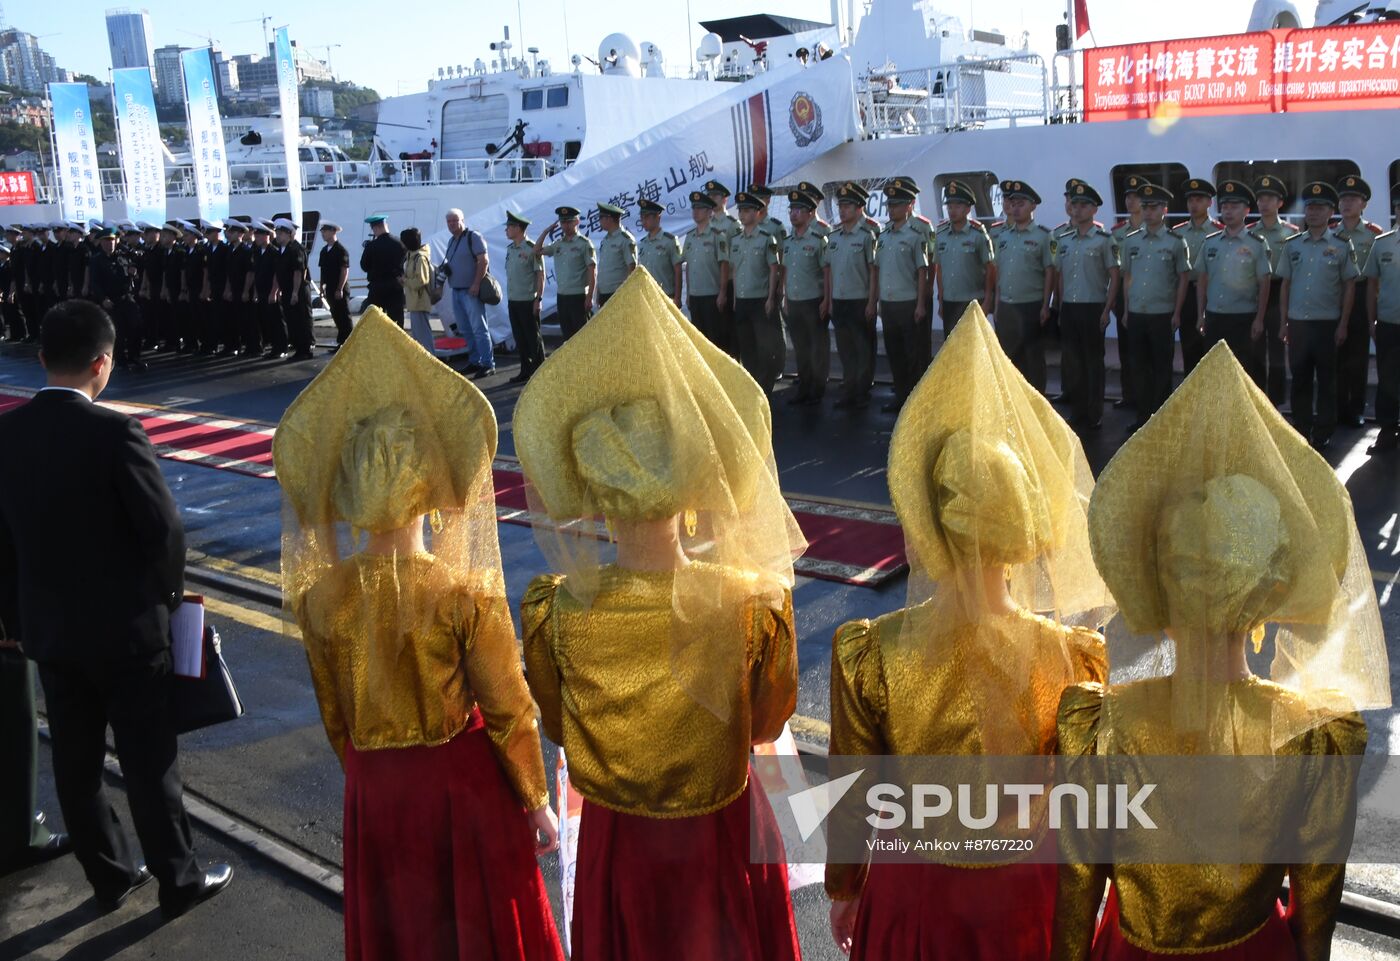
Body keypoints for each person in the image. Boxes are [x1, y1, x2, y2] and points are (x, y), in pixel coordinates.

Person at [1052, 343, 1390, 960]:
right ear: (1269, 590)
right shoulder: (1313, 734)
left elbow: (1078, 886)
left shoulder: (1105, 725)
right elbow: (1317, 905)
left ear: (1157, 582)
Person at [516, 269, 805, 961]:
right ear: (695, 488)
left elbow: (558, 724)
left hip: (622, 839)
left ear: (597, 495)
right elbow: (768, 723)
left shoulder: (555, 609)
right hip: (726, 828)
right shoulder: (751, 600)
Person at [276, 308, 564, 961]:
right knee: (479, 931)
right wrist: (535, 800)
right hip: (459, 788)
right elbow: (508, 708)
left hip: (376, 788)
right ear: (432, 483)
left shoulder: (322, 596)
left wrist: (371, 775)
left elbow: (334, 716)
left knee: (402, 931)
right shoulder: (462, 591)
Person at [826, 303, 1109, 960]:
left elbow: (854, 787)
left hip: (915, 885)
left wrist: (845, 884)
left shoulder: (873, 650)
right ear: (1027, 532)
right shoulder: (1074, 656)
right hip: (1029, 890)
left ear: (929, 522)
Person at [0, 300, 232, 916]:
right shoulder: (115, 432)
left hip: (49, 633)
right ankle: (178, 881)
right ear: (102, 364)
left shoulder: (7, 434)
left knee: (75, 763)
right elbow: (164, 532)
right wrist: (166, 600)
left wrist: (14, 622)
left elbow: (1, 543)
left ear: (42, 357)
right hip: (128, 634)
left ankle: (108, 875)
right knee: (149, 762)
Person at [1278, 181, 1358, 452]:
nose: (1313, 212)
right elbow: (1285, 285)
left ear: (1330, 212)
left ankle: (1324, 430)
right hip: (1298, 323)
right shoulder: (1292, 246)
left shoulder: (1342, 245)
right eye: (1310, 207)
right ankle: (1301, 428)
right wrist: (1283, 323)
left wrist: (1343, 324)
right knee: (1299, 378)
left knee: (1327, 380)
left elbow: (1349, 286)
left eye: (1320, 207)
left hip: (1327, 323)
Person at [1120, 183, 1191, 430]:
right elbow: (1127, 277)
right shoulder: (1131, 241)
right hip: (1138, 312)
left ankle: (1161, 420)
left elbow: (1183, 278)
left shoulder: (1175, 242)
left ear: (1164, 209)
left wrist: (1178, 312)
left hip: (1162, 314)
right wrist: (1127, 310)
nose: (1148, 211)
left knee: (1162, 368)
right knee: (1138, 367)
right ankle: (1142, 417)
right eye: (1145, 206)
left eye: (1154, 207)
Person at [1054, 182, 1119, 431]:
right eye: (1074, 204)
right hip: (1070, 307)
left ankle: (1094, 413)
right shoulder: (1065, 240)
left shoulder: (1104, 240)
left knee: (1093, 362)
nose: (1076, 209)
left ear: (1094, 209)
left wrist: (1106, 310)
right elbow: (1060, 276)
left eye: (1083, 205)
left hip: (1093, 307)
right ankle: (1078, 411)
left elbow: (1114, 275)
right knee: (1074, 363)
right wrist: (1059, 307)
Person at [1195, 180, 1271, 387]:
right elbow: (1202, 279)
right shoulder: (1210, 242)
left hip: (1243, 317)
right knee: (1215, 371)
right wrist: (1200, 314)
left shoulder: (1257, 244)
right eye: (1225, 207)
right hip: (1215, 316)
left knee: (1245, 373)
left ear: (1246, 210)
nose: (1228, 212)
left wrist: (1259, 319)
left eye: (1234, 207)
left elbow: (1264, 283)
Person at [990, 181, 1054, 394]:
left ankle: (1037, 403)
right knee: (1009, 358)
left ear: (1033, 206)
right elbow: (999, 272)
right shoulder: (1004, 236)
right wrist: (997, 304)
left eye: (1021, 204)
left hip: (1031, 305)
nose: (1016, 208)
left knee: (1033, 358)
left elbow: (1049, 272)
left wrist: (1046, 304)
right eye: (1013, 204)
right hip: (1007, 305)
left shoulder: (1044, 236)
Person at [1332, 175, 1382, 429]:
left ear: (1363, 204)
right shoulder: (1332, 233)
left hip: (1362, 295)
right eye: (1343, 199)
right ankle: (1338, 406)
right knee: (1336, 355)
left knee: (1358, 356)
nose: (1347, 203)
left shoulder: (1373, 234)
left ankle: (1356, 407)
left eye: (1352, 199)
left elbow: (1378, 275)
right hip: (1335, 295)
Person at [876, 181, 931, 414]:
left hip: (909, 303)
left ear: (909, 206)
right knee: (895, 353)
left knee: (914, 356)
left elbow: (922, 271)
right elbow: (878, 269)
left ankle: (916, 400)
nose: (892, 209)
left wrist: (921, 303)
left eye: (897, 205)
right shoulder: (884, 235)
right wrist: (878, 302)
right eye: (890, 205)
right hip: (889, 303)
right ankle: (901, 396)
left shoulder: (917, 235)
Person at [827, 181, 878, 410]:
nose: (842, 210)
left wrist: (871, 302)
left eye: (847, 206)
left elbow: (873, 271)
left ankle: (862, 389)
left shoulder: (868, 234)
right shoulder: (835, 237)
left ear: (859, 208)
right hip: (840, 300)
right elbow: (828, 270)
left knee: (863, 347)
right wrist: (828, 300)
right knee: (845, 348)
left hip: (859, 300)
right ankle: (849, 387)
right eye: (841, 205)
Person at [1250, 175, 1299, 404]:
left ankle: (1277, 402)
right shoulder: (1249, 232)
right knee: (1255, 352)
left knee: (1278, 351)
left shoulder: (1291, 232)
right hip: (1256, 294)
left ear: (1280, 203)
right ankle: (1257, 400)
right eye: (1260, 198)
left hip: (1280, 293)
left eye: (1269, 198)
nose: (1264, 203)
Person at [729, 191, 783, 393]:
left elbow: (773, 268)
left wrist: (771, 297)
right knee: (746, 345)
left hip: (760, 299)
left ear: (757, 212)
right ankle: (752, 384)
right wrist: (735, 298)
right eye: (741, 211)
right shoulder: (736, 240)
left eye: (747, 210)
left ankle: (765, 385)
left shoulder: (766, 238)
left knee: (764, 346)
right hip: (742, 299)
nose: (742, 215)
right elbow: (736, 270)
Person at [782, 186, 831, 406]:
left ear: (810, 212)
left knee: (817, 347)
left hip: (814, 300)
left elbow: (827, 272)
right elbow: (785, 272)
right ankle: (804, 385)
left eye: (799, 210)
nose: (794, 214)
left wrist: (826, 300)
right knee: (801, 347)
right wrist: (784, 297)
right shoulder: (789, 241)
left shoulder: (820, 238)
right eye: (792, 209)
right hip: (794, 300)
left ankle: (818, 388)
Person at [1362, 183, 1400, 454]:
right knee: (1388, 379)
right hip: (1389, 322)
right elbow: (1371, 286)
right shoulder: (1382, 243)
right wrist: (1371, 321)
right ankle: (1387, 432)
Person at [932, 180, 994, 338]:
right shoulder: (941, 234)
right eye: (950, 206)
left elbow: (990, 268)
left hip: (972, 301)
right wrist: (941, 299)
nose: (952, 211)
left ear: (967, 208)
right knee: (951, 347)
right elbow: (939, 269)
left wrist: (987, 301)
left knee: (973, 347)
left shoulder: (978, 234)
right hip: (949, 301)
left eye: (958, 206)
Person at [1171, 178, 1219, 376]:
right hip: (1186, 293)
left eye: (1199, 200)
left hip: (1213, 294)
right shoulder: (1177, 232)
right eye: (1191, 200)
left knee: (1212, 349)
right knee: (1189, 347)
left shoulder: (1219, 232)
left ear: (1209, 203)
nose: (1194, 204)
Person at [86, 227, 146, 371]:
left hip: (127, 297)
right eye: (107, 241)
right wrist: (103, 299)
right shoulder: (96, 260)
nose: (110, 243)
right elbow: (95, 282)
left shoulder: (123, 256)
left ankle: (134, 356)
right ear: (101, 242)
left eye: (112, 240)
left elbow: (134, 275)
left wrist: (134, 273)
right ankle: (121, 359)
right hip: (111, 300)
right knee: (117, 331)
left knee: (135, 327)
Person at [443, 208, 493, 377]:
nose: (451, 224)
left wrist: (476, 283)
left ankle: (488, 363)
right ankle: (475, 361)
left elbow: (483, 260)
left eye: (455, 220)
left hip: (470, 290)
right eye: (449, 221)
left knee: (479, 328)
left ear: (463, 220)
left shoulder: (473, 237)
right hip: (456, 290)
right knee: (466, 329)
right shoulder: (451, 241)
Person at [680, 191, 732, 354]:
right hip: (695, 295)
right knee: (698, 338)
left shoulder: (718, 236)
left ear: (710, 212)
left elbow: (724, 265)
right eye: (694, 208)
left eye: (700, 208)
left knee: (714, 339)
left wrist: (722, 293)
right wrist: (688, 293)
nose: (696, 212)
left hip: (712, 295)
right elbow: (688, 266)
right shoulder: (690, 237)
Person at [534, 206, 595, 341]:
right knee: (567, 337)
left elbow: (592, 272)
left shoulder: (584, 244)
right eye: (563, 222)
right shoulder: (558, 244)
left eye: (569, 222)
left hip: (579, 296)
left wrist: (589, 297)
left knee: (582, 337)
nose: (566, 226)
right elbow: (537, 251)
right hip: (562, 297)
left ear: (577, 222)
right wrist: (546, 231)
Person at [503, 210, 546, 383]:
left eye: (509, 227)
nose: (506, 230)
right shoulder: (510, 249)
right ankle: (525, 370)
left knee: (533, 337)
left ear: (518, 228)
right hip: (514, 299)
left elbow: (540, 275)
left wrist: (538, 299)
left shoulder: (531, 248)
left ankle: (540, 371)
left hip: (528, 300)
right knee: (520, 338)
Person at [274, 219, 315, 361]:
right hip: (287, 290)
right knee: (292, 320)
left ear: (290, 234)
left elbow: (298, 272)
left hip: (297, 291)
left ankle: (305, 349)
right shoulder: (282, 250)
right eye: (277, 233)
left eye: (280, 234)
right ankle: (299, 349)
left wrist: (294, 293)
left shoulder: (296, 249)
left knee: (301, 320)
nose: (277, 236)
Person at [251, 221, 290, 359]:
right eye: (255, 235)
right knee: (266, 320)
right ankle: (273, 346)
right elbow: (255, 273)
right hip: (261, 290)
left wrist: (274, 291)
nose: (256, 237)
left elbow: (276, 274)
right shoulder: (257, 252)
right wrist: (255, 291)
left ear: (267, 236)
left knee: (277, 320)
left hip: (271, 291)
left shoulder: (273, 252)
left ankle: (281, 347)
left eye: (259, 235)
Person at [359, 214, 405, 325]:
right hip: (396, 286)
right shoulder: (400, 243)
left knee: (376, 321)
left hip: (377, 287)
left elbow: (364, 266)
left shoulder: (371, 246)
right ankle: (396, 342)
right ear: (385, 225)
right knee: (396, 320)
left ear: (375, 227)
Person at [636, 198, 682, 308]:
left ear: (658, 217)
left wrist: (678, 297)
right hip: (647, 297)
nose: (643, 221)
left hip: (666, 296)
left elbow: (678, 271)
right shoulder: (643, 243)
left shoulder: (669, 241)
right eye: (642, 218)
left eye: (647, 217)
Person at [400, 227, 437, 356]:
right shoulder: (412, 256)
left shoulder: (419, 258)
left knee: (423, 337)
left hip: (420, 301)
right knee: (419, 335)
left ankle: (430, 362)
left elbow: (421, 281)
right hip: (414, 301)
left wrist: (405, 281)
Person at [593, 201, 636, 309]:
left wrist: (628, 293)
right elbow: (603, 268)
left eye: (601, 217)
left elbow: (632, 267)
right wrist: (598, 292)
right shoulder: (605, 240)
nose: (599, 221)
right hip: (604, 292)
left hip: (618, 293)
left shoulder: (625, 239)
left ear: (610, 218)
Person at [222, 221, 256, 356]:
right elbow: (229, 273)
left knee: (247, 320)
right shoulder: (230, 249)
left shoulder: (246, 251)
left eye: (231, 232)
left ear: (240, 234)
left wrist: (246, 290)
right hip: (233, 289)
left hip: (243, 289)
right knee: (233, 319)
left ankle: (251, 347)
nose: (227, 234)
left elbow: (250, 272)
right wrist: (227, 289)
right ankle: (234, 346)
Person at [318, 221, 353, 348]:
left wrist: (340, 288)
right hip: (330, 287)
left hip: (339, 287)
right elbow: (323, 270)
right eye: (322, 232)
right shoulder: (324, 251)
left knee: (343, 315)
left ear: (333, 232)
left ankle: (348, 341)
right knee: (336, 314)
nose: (323, 234)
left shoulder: (340, 250)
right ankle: (341, 340)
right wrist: (321, 287)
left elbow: (344, 270)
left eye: (325, 231)